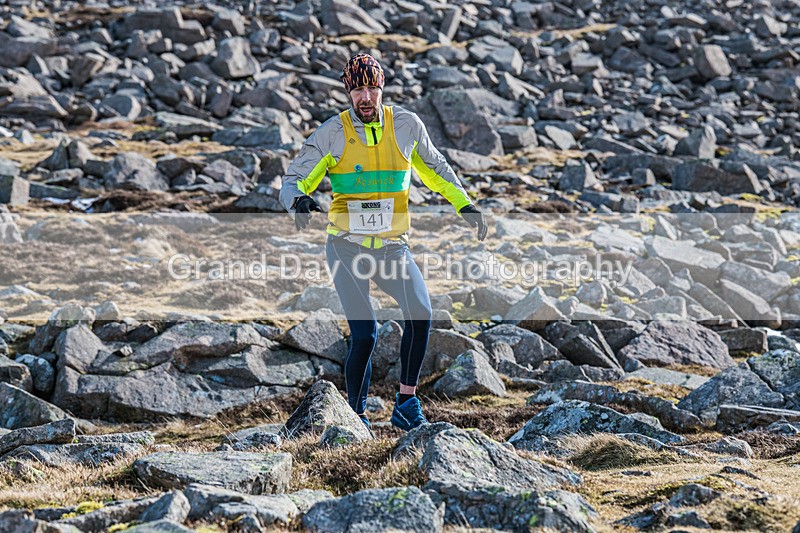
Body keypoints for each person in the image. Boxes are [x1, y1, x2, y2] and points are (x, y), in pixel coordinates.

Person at [280, 53, 487, 431]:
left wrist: (465, 204)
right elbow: (294, 178)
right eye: (358, 89)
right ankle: (356, 417)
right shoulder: (333, 132)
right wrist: (298, 201)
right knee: (365, 334)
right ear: (348, 92)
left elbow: (436, 168)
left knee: (421, 314)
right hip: (347, 247)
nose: (366, 97)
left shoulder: (406, 125)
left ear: (382, 89)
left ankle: (406, 403)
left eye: (372, 88)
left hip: (393, 247)